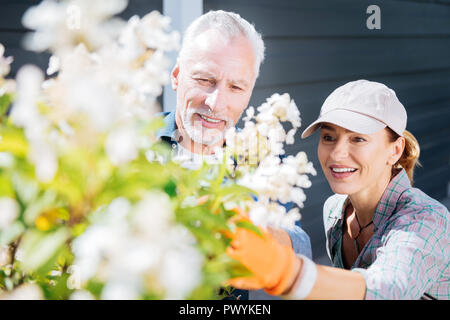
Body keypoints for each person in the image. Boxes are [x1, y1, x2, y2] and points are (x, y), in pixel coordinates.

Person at [227, 80, 449, 299]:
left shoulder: (427, 220)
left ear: (395, 150)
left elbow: (388, 290)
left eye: (358, 139)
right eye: (328, 137)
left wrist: (284, 272)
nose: (336, 154)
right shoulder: (334, 209)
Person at [156, 10, 312, 299]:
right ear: (177, 76)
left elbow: (301, 245)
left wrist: (257, 235)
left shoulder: (263, 162)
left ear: (250, 91)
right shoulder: (132, 145)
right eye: (204, 80)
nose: (217, 103)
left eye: (236, 87)